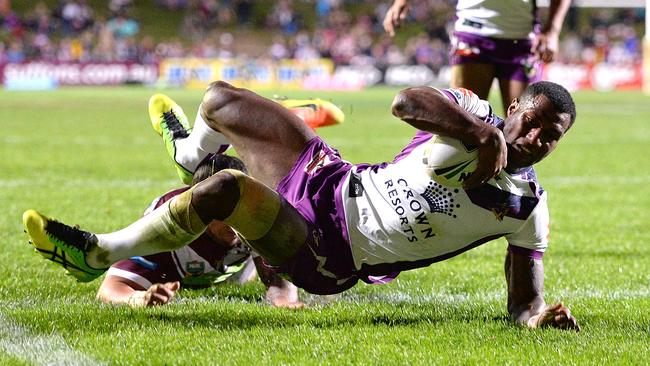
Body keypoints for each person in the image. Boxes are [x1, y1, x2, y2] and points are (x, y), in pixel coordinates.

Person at [24, 79, 579, 330]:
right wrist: (481, 136)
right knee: (219, 100)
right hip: (330, 179)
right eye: (528, 120)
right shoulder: (470, 110)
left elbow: (523, 302)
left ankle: (98, 253)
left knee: (224, 193)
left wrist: (537, 318)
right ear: (513, 107)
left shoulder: (527, 207)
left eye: (548, 136)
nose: (533, 137)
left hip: (330, 252)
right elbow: (406, 101)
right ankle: (192, 154)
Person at [95, 153, 303, 308]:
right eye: (221, 212)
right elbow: (110, 287)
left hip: (232, 268)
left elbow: (281, 286)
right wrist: (137, 298)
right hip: (177, 272)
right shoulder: (164, 229)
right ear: (201, 209)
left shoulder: (257, 211)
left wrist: (283, 299)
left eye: (237, 209)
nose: (232, 221)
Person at [383, 0, 571, 112]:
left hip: (522, 38)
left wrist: (552, 30)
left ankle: (513, 179)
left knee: (526, 124)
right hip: (473, 32)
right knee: (464, 120)